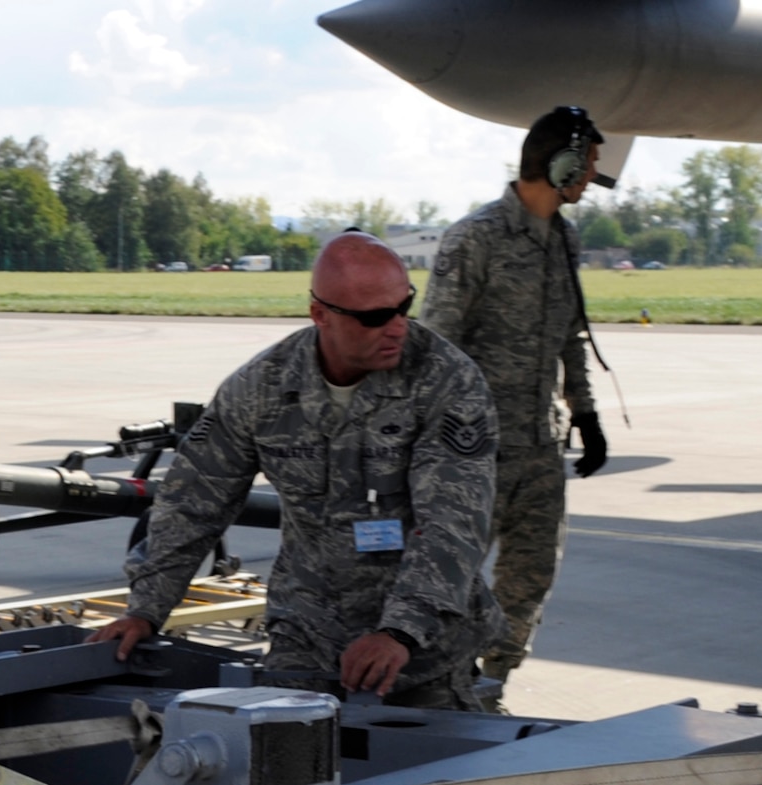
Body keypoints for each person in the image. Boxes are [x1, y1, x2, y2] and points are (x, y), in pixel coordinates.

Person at [91, 233, 502, 710]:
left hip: (423, 649)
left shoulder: (446, 381)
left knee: (429, 777)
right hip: (306, 635)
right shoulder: (263, 388)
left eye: (403, 305)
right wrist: (145, 610)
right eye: (374, 317)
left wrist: (399, 631)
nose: (397, 327)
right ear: (321, 314)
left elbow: (454, 524)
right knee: (285, 770)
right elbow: (193, 500)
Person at [420, 105, 611, 695]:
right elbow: (434, 348)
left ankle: (492, 683)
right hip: (473, 449)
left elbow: (570, 337)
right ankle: (437, 681)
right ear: (561, 166)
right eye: (589, 166)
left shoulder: (564, 240)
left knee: (530, 575)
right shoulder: (475, 239)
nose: (593, 180)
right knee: (447, 574)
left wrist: (586, 413)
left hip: (538, 446)